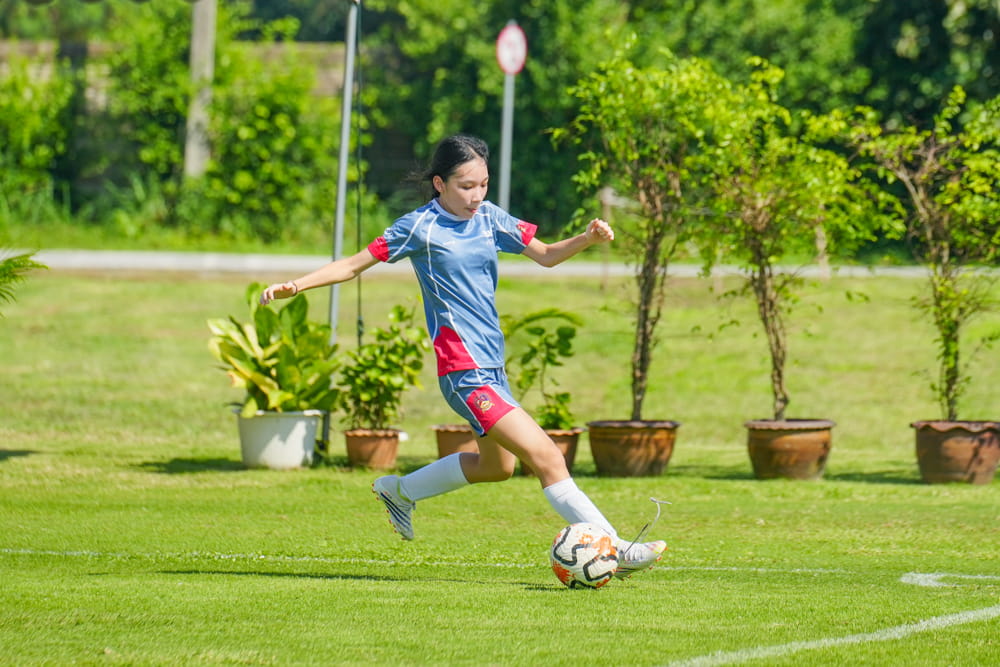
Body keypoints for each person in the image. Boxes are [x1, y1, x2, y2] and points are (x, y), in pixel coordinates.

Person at [260, 134, 666, 579]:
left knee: (496, 467)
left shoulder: (490, 219)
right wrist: (296, 285)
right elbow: (354, 264)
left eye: (484, 185)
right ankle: (619, 549)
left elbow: (546, 255)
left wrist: (586, 238)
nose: (477, 196)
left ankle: (399, 490)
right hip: (464, 372)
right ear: (439, 183)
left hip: (492, 367)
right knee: (548, 456)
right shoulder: (419, 227)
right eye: (466, 186)